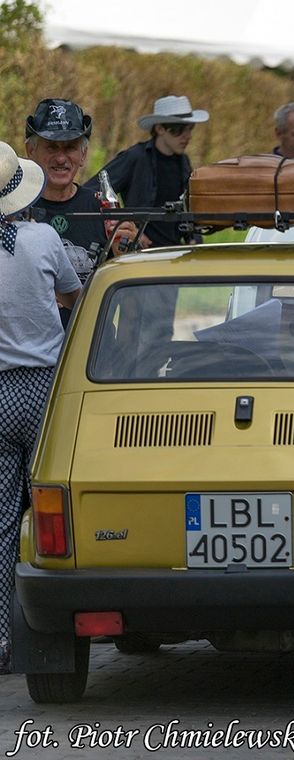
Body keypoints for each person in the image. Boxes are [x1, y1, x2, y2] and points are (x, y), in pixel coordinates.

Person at [0, 140, 82, 674]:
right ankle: (51, 631)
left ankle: (2, 637)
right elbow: (76, 296)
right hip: (45, 390)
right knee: (53, 515)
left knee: (3, 520)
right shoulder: (44, 237)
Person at [24, 99, 136, 326]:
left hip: (89, 349)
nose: (61, 157)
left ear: (83, 155)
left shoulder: (102, 209)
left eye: (70, 147)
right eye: (51, 146)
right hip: (30, 353)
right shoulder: (13, 209)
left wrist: (128, 255)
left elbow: (131, 299)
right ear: (30, 151)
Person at [86, 95, 209, 248]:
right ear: (159, 128)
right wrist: (128, 228)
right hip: (139, 256)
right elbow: (90, 193)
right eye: (178, 130)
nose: (187, 136)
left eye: (190, 129)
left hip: (176, 253)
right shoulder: (135, 157)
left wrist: (194, 239)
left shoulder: (184, 162)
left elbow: (189, 208)